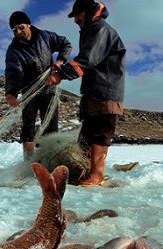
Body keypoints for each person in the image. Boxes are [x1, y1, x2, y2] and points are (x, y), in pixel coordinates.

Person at [47, 0, 126, 186]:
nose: (75, 19)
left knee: (100, 133)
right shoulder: (91, 30)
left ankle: (97, 176)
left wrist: (61, 74)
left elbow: (88, 59)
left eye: (77, 14)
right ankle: (86, 172)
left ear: (89, 11)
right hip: (93, 93)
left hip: (105, 93)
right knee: (87, 135)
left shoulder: (100, 29)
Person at [5, 11, 72, 160]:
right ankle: (28, 163)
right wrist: (11, 93)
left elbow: (66, 44)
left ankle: (50, 160)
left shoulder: (46, 37)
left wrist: (61, 60)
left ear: (28, 24)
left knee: (51, 127)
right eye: (14, 29)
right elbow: (13, 72)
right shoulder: (14, 50)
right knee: (28, 127)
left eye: (21, 27)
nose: (18, 32)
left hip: (49, 88)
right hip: (29, 91)